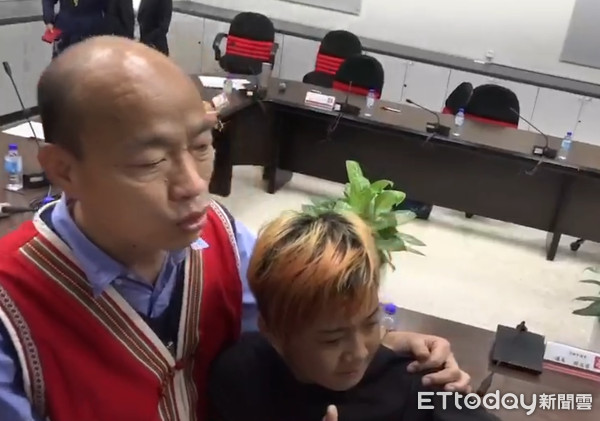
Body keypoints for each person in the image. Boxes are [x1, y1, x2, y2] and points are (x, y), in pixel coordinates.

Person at [0, 36, 469, 421]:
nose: (192, 185)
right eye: (150, 161)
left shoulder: (222, 237)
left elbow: (299, 320)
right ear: (64, 171)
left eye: (202, 146)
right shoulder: (11, 312)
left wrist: (383, 345)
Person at [209, 210, 499, 421]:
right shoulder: (239, 376)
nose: (359, 353)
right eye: (333, 340)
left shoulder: (419, 387)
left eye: (371, 323)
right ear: (273, 332)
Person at [42, 0, 109, 57]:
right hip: (67, 27)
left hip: (92, 27)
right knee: (63, 61)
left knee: (92, 61)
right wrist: (48, 18)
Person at [107, 0, 173, 55]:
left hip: (153, 46)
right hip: (124, 45)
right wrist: (125, 38)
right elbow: (112, 16)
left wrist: (146, 41)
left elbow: (164, 24)